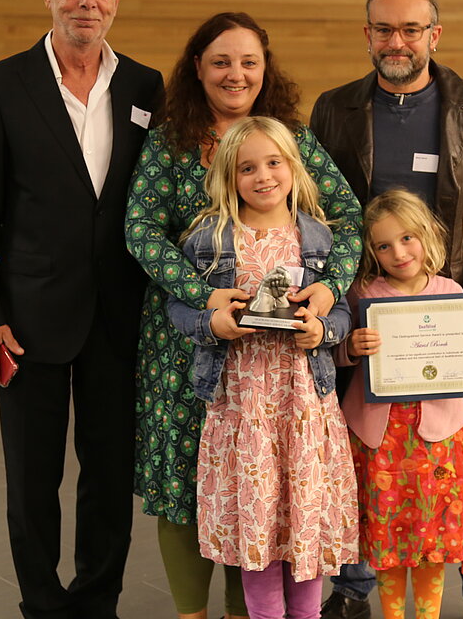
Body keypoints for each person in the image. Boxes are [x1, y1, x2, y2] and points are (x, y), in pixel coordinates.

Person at [125, 12, 363, 619]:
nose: (236, 73)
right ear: (196, 69)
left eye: (248, 61)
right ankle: (191, 613)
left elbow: (348, 218)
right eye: (221, 61)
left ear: (266, 68)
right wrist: (202, 296)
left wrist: (330, 291)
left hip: (282, 366)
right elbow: (141, 229)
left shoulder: (293, 140)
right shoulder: (170, 138)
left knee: (266, 484)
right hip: (188, 343)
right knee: (186, 481)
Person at [0, 0, 164, 619]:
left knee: (109, 476)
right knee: (32, 479)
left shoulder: (143, 86)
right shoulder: (0, 84)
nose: (88, 2)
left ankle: (96, 601)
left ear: (118, 0)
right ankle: (44, 606)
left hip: (119, 319)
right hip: (27, 320)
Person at [310, 0, 463, 619]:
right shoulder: (335, 108)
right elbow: (315, 213)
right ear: (366, 34)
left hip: (447, 314)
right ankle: (351, 591)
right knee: (357, 458)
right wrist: (339, 305)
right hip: (362, 313)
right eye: (383, 28)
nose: (395, 41)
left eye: (410, 29)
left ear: (435, 34)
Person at [167, 116, 360, 619]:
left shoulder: (316, 238)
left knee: (306, 518)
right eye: (247, 167)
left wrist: (325, 331)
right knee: (256, 525)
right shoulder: (209, 238)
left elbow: (338, 309)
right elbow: (177, 307)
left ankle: (308, 614)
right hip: (243, 407)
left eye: (274, 162)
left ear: (293, 167)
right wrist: (213, 323)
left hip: (303, 407)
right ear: (229, 177)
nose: (263, 176)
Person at [340, 189, 463, 619]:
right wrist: (351, 348)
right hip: (382, 440)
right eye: (383, 245)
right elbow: (336, 351)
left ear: (428, 235)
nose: (398, 252)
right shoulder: (362, 295)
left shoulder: (452, 291)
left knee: (431, 538)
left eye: (408, 238)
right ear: (371, 251)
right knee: (388, 539)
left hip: (439, 439)